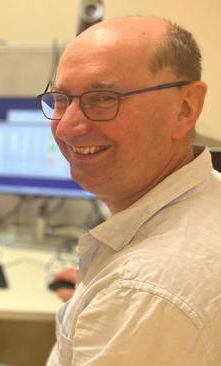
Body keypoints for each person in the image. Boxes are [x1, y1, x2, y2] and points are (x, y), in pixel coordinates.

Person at [37, 16, 221, 365]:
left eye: (103, 98)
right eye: (61, 98)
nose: (68, 127)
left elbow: (151, 292)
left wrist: (122, 295)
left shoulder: (145, 295)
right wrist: (99, 287)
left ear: (185, 108)